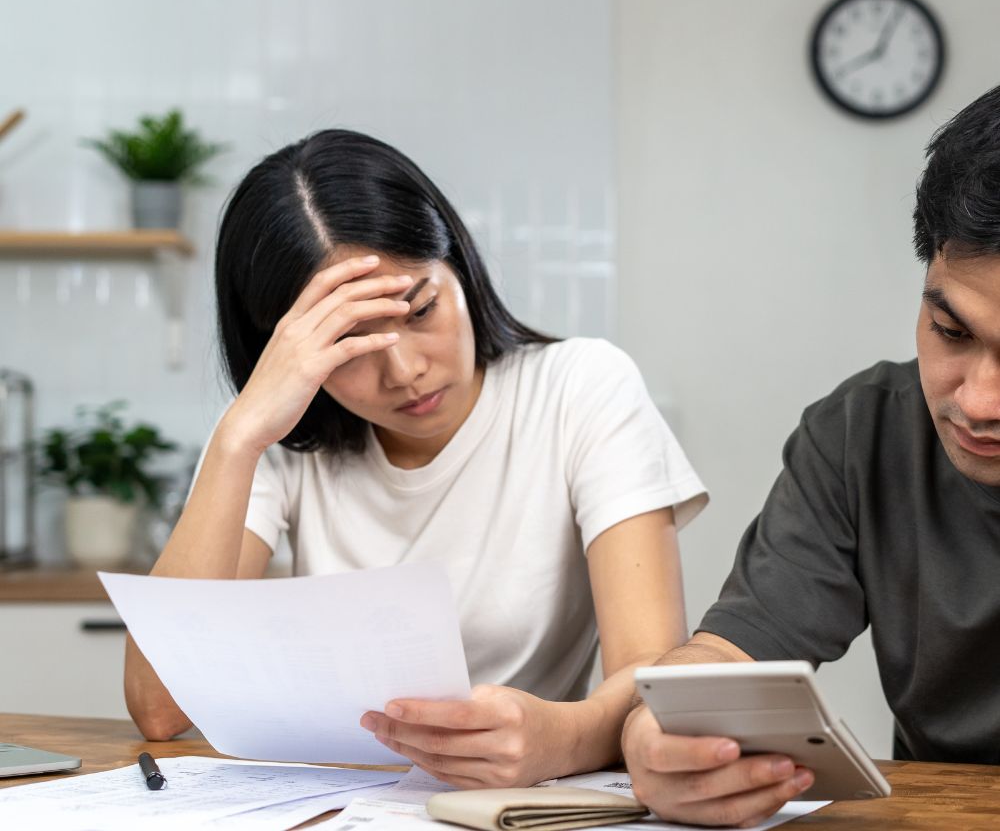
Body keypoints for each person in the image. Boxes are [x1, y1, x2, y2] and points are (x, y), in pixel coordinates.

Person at [124, 128, 707, 787]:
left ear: (458, 264)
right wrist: (238, 439)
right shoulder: (277, 438)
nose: (404, 372)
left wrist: (560, 739)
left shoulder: (581, 387)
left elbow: (652, 676)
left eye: (420, 308)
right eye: (348, 345)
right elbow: (159, 709)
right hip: (335, 802)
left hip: (523, 804)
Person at [622, 83, 1000, 827]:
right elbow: (727, 662)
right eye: (951, 333)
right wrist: (658, 740)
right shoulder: (864, 436)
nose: (979, 401)